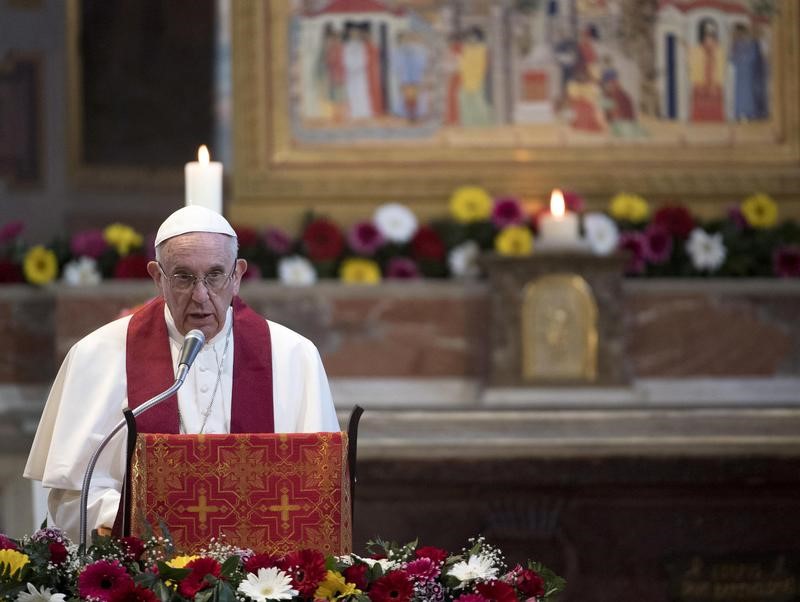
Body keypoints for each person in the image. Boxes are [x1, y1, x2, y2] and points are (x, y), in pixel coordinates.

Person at [23, 206, 339, 542]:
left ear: (237, 276)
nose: (201, 295)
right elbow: (74, 494)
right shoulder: (96, 355)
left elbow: (318, 490)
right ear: (157, 277)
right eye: (183, 277)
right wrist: (152, 526)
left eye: (215, 275)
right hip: (144, 573)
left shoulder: (292, 355)